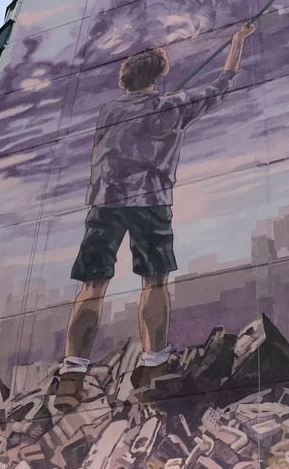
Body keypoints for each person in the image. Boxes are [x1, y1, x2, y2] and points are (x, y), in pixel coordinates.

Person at [54, 21, 256, 409]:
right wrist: (236, 43)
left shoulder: (109, 111)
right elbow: (221, 86)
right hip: (150, 202)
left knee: (92, 286)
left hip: (106, 203)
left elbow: (100, 152)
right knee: (154, 283)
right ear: (158, 76)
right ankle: (154, 365)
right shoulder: (171, 107)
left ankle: (72, 374)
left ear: (124, 79)